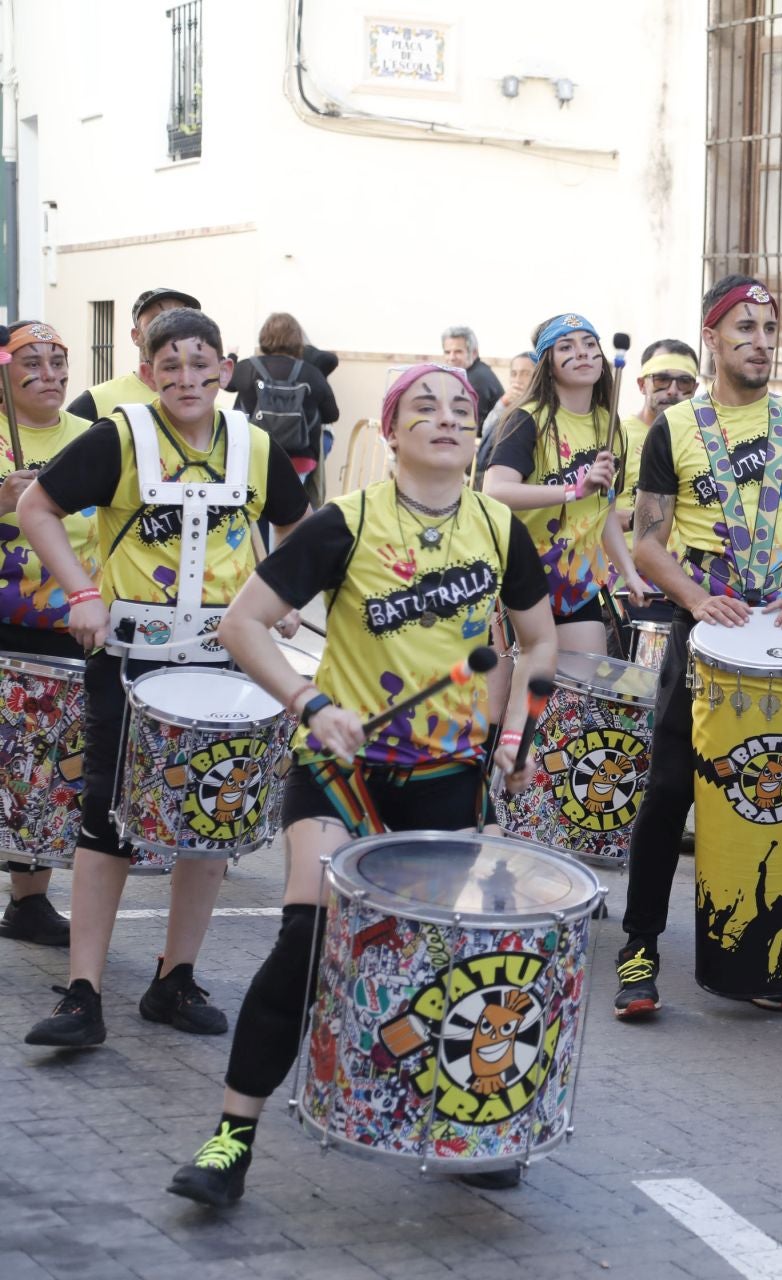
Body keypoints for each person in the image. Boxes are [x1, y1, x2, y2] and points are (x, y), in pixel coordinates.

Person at [166, 362, 557, 1208]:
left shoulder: (497, 528)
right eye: (427, 407)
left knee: (445, 956)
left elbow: (539, 640)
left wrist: (516, 732)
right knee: (308, 936)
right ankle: (234, 1135)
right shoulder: (347, 522)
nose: (449, 419)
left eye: (463, 409)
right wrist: (310, 705)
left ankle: (460, 1128)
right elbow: (242, 625)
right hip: (341, 771)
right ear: (390, 433)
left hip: (450, 775)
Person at [19, 307, 309, 1047]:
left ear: (224, 368)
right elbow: (37, 506)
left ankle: (174, 979)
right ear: (147, 373)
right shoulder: (119, 436)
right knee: (106, 818)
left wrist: (280, 595)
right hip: (130, 656)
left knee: (207, 820)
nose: (186, 377)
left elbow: (297, 524)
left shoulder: (254, 445)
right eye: (169, 365)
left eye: (200, 363)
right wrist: (82, 591)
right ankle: (83, 991)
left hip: (225, 659)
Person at [614, 275, 782, 1018]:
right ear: (712, 339)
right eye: (743, 328)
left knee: (775, 794)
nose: (760, 342)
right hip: (706, 635)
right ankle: (640, 948)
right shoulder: (674, 428)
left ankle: (760, 953)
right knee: (669, 791)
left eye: (770, 329)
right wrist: (693, 599)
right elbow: (648, 542)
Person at [0, 323, 97, 946]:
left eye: (60, 362)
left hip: (67, 624)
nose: (52, 374)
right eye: (33, 362)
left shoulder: (90, 439)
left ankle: (28, 901)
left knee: (42, 763)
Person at [481, 314, 644, 655]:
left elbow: (605, 512)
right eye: (567, 347)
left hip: (576, 584)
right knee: (522, 691)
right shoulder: (527, 419)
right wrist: (574, 490)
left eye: (590, 345)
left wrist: (629, 573)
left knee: (581, 693)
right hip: (522, 576)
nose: (583, 353)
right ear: (548, 364)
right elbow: (495, 491)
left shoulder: (610, 425)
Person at [66, 286, 230, 420]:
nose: (172, 330)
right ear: (135, 336)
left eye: (183, 321)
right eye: (157, 321)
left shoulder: (220, 419)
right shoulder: (94, 403)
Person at [231, 312, 339, 508]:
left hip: (254, 459)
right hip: (299, 462)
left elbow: (225, 383)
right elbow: (332, 414)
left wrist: (231, 356)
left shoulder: (247, 368)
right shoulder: (311, 372)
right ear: (298, 340)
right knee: (289, 516)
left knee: (257, 513)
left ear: (263, 337)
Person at [622, 338, 702, 472]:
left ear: (694, 389)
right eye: (662, 380)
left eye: (684, 382)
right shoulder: (620, 437)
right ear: (642, 385)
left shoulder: (707, 439)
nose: (672, 391)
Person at [443, 325, 505, 424]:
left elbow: (471, 425)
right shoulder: (474, 371)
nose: (451, 357)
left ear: (474, 353)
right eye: (447, 352)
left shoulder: (477, 379)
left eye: (458, 351)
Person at [480, 351, 537, 439]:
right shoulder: (507, 402)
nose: (518, 380)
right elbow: (486, 432)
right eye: (514, 374)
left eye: (526, 374)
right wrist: (503, 404)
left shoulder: (542, 406)